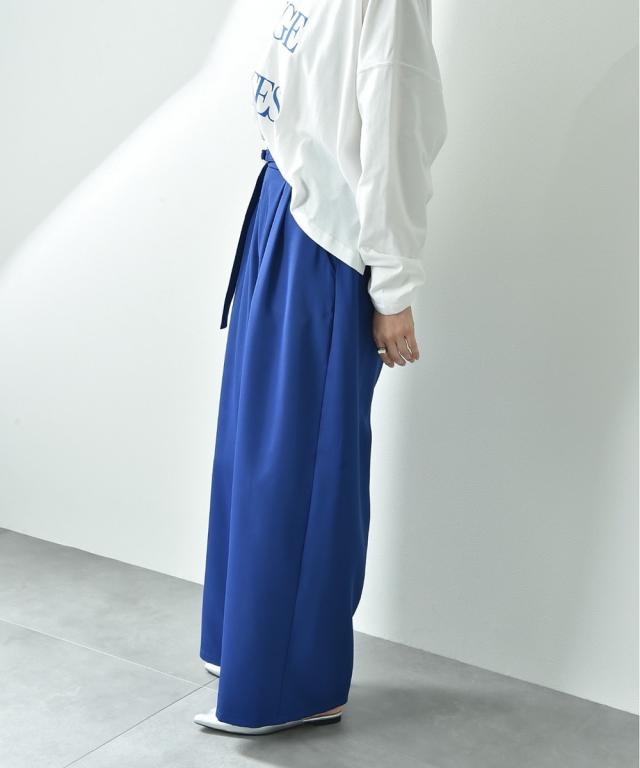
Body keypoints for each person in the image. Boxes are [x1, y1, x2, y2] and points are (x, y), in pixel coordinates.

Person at [194, 0, 447, 735]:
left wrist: (390, 282)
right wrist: (392, 286)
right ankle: (272, 674)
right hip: (308, 224)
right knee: (287, 458)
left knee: (279, 452)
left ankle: (261, 662)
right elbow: (388, 132)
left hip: (300, 220)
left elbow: (379, 124)